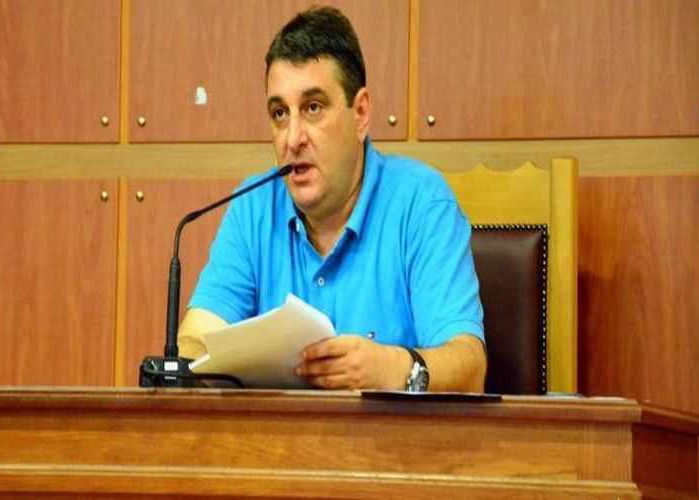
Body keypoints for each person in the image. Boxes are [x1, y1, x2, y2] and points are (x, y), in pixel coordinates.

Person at [178, 6, 486, 392]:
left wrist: (390, 368)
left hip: (388, 433)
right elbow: (195, 341)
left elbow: (470, 368)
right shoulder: (253, 209)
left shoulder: (422, 205)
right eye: (279, 113)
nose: (292, 138)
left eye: (313, 108)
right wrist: (199, 366)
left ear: (361, 113)